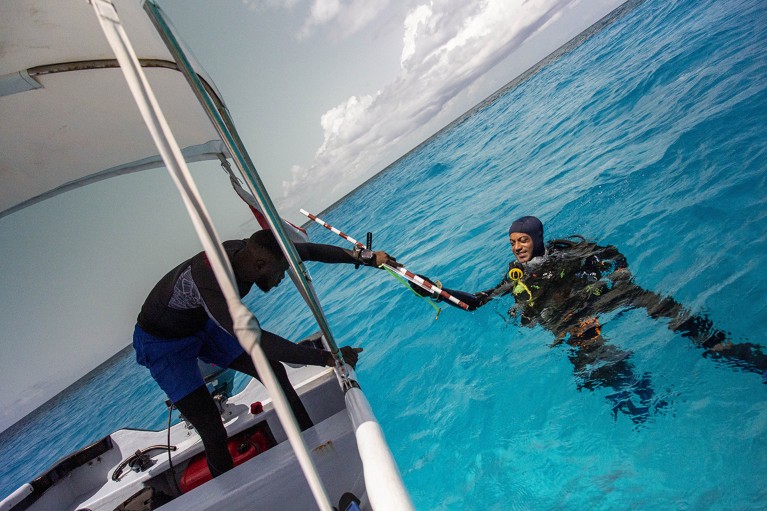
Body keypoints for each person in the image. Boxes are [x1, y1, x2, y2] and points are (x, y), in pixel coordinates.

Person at [413, 216, 767, 422]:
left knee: (659, 304)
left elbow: (610, 253)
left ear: (537, 239)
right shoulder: (515, 277)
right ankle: (645, 403)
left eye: (522, 241)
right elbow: (479, 301)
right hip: (568, 319)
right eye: (512, 243)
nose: (517, 247)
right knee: (593, 356)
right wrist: (435, 290)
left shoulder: (565, 253)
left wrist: (623, 271)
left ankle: (723, 346)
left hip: (597, 295)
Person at [133, 229, 398, 477]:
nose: (282, 279)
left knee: (274, 370)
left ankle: (313, 443)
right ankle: (231, 491)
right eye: (281, 272)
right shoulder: (214, 283)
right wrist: (326, 358)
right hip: (163, 342)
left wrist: (364, 257)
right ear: (260, 265)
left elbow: (306, 251)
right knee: (212, 430)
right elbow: (258, 341)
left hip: (200, 321)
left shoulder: (250, 253)